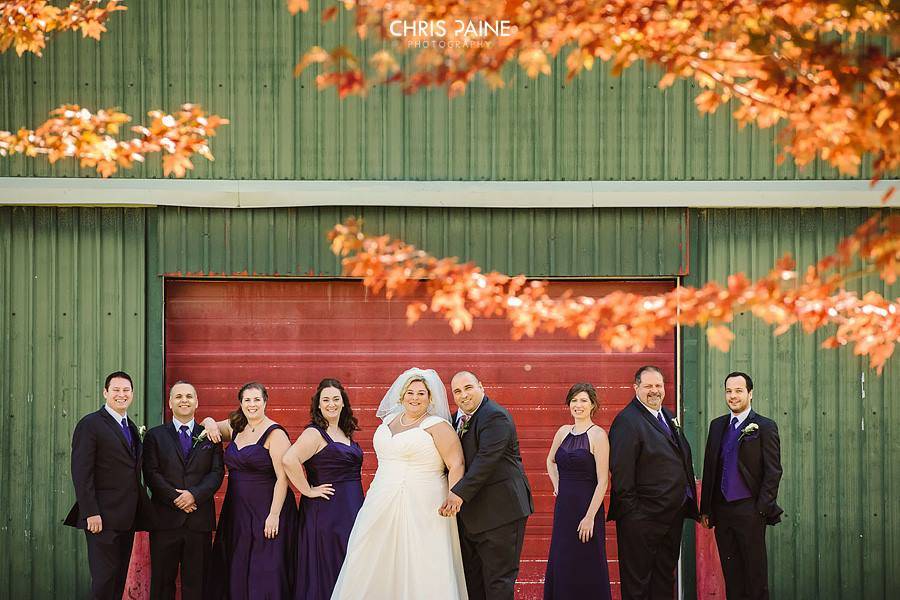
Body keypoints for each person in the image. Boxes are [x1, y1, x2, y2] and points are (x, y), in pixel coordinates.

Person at [331, 368, 468, 600]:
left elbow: (457, 463)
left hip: (424, 501)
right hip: (381, 497)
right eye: (410, 393)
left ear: (430, 398)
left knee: (421, 558)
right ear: (402, 395)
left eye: (421, 394)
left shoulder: (437, 425)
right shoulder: (388, 420)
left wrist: (455, 495)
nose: (415, 398)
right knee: (369, 552)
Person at [607, 365, 699, 600]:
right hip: (642, 520)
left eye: (658, 386)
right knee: (637, 583)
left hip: (670, 516)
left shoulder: (667, 416)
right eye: (648, 386)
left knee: (663, 580)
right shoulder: (627, 421)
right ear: (635, 388)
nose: (654, 391)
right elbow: (621, 473)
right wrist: (634, 515)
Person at [201, 382, 298, 599]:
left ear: (265, 402)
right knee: (237, 564)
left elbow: (283, 478)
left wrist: (274, 515)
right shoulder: (236, 426)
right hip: (237, 510)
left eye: (257, 400)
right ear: (241, 403)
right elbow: (206, 425)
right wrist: (209, 422)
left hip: (267, 507)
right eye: (247, 400)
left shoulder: (275, 433)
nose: (252, 405)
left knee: (266, 569)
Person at [443, 370, 534, 600]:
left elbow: (486, 460)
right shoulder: (453, 421)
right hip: (470, 518)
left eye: (468, 388)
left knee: (498, 583)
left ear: (481, 387)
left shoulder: (495, 416)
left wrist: (457, 494)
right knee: (473, 583)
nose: (463, 395)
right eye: (457, 391)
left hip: (501, 514)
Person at [64, 370, 151, 600]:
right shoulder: (90, 424)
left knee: (118, 579)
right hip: (101, 518)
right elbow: (82, 472)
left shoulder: (131, 427)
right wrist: (91, 511)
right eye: (116, 390)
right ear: (105, 393)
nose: (121, 395)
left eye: (126, 390)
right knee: (104, 580)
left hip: (127, 518)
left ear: (132, 394)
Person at [700, 372, 783, 600]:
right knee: (732, 575)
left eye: (738, 391)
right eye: (729, 391)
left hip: (750, 510)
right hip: (722, 511)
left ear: (750, 393)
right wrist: (706, 508)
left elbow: (773, 471)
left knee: (755, 576)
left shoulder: (764, 426)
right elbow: (710, 468)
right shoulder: (717, 426)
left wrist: (761, 509)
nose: (733, 396)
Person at [282, 378, 364, 600]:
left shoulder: (344, 431)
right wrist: (308, 490)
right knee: (329, 564)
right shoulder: (315, 433)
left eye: (336, 399)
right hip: (327, 512)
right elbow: (289, 460)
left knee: (349, 563)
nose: (331, 404)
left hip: (351, 508)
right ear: (318, 405)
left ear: (343, 402)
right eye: (325, 400)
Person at [142, 381, 225, 600]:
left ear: (197, 402)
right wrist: (176, 498)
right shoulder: (155, 435)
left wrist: (194, 495)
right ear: (170, 403)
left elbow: (217, 473)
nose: (184, 400)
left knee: (196, 585)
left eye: (189, 396)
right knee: (161, 583)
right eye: (178, 396)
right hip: (164, 521)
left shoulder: (210, 435)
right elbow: (151, 473)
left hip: (198, 523)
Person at [543, 382, 612, 600]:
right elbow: (550, 460)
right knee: (563, 560)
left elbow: (603, 482)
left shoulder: (598, 435)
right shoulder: (563, 432)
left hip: (587, 510)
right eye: (574, 400)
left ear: (593, 405)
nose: (578, 405)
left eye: (583, 400)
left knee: (587, 562)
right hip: (564, 509)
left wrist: (590, 517)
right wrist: (557, 485)